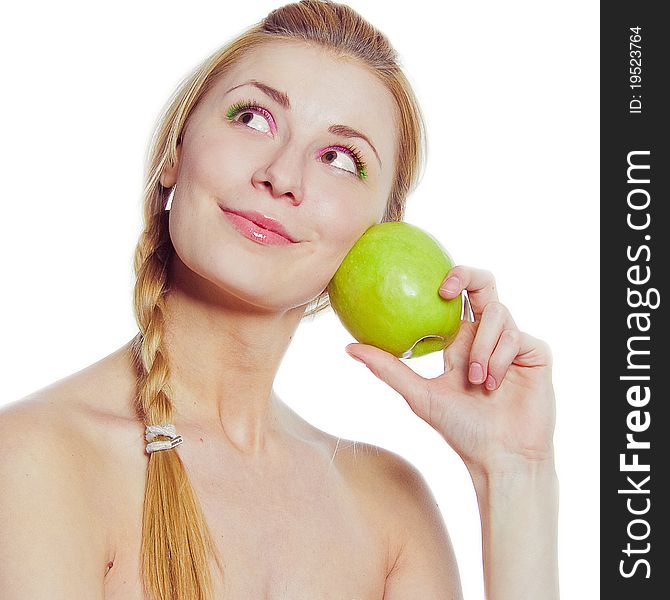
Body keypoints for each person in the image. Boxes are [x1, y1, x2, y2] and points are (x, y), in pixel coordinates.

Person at [0, 1, 559, 598]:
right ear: (175, 152)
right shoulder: (36, 460)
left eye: (339, 159)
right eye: (253, 118)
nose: (282, 176)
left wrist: (515, 473)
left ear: (380, 234)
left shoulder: (391, 509)